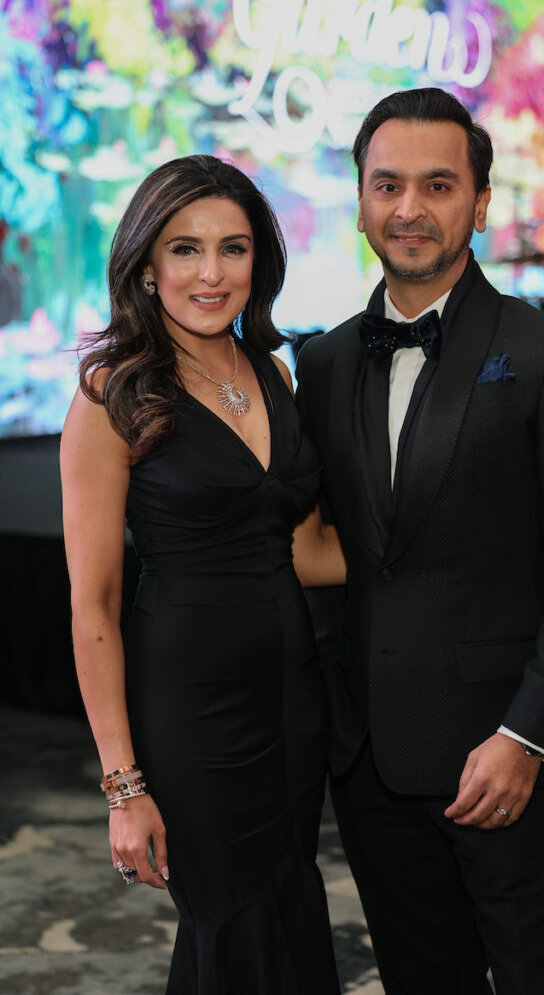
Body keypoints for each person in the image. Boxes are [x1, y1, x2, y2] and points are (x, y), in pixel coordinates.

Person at [295, 88, 544, 995]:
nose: (409, 209)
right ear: (361, 199)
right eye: (388, 185)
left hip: (506, 764)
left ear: (479, 203)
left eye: (437, 185)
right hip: (369, 769)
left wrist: (526, 735)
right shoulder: (322, 363)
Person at [60, 154, 344, 995]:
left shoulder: (272, 372)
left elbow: (300, 552)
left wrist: (443, 552)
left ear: (262, 261)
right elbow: (94, 606)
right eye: (184, 249)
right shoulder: (113, 392)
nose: (211, 273)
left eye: (234, 248)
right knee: (229, 918)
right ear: (147, 265)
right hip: (191, 707)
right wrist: (123, 787)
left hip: (293, 693)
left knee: (289, 900)